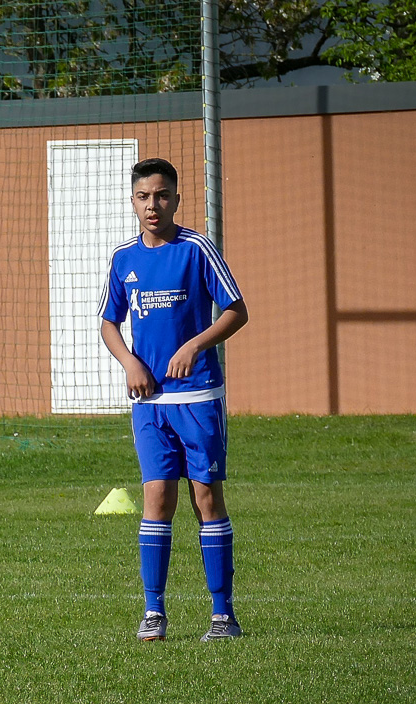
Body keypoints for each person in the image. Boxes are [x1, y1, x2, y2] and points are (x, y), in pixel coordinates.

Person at [98, 158, 250, 643]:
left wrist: (194, 346)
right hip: (150, 403)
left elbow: (236, 310)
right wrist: (130, 362)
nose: (153, 205)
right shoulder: (124, 258)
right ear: (133, 202)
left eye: (161, 196)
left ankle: (223, 616)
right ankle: (153, 612)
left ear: (177, 200)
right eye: (144, 197)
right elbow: (108, 322)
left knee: (205, 498)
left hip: (198, 396)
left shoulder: (197, 249)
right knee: (156, 499)